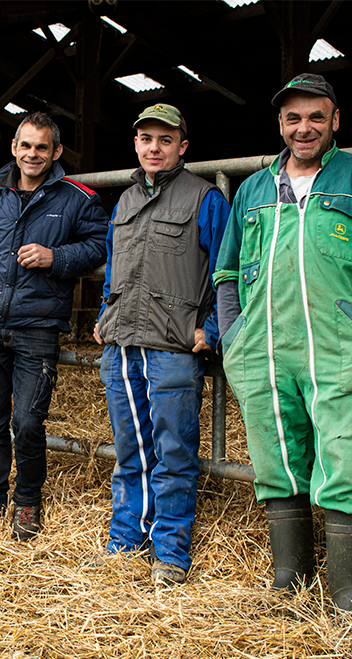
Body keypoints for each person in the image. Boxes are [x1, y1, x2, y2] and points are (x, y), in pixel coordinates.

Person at [213, 74, 352, 613]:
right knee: (276, 456)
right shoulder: (256, 189)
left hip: (337, 345)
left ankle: (348, 598)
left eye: (315, 117)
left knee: (345, 458)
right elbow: (228, 269)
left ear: (335, 121)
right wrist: (234, 334)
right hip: (261, 347)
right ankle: (290, 583)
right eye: (293, 118)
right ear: (280, 124)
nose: (303, 128)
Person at [0, 112, 108, 541]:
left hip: (37, 325)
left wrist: (54, 257)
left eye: (42, 147)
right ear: (14, 149)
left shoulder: (77, 197)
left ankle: (27, 501)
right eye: (25, 145)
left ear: (56, 152)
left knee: (27, 421)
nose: (32, 154)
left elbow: (100, 245)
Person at [93, 103, 230, 585]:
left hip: (173, 345)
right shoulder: (125, 201)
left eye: (165, 140)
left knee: (173, 451)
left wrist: (210, 329)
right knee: (130, 449)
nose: (155, 147)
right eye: (146, 138)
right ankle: (125, 540)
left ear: (182, 147)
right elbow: (113, 264)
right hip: (122, 344)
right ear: (136, 144)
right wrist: (104, 313)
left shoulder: (205, 200)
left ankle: (170, 552)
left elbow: (227, 271)